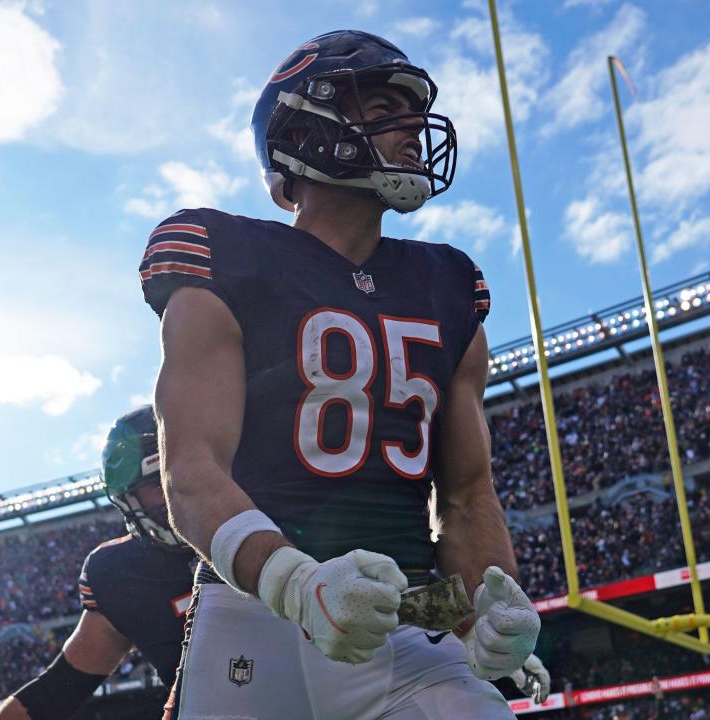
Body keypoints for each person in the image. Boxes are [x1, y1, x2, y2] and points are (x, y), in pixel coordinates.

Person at [141, 29, 540, 719]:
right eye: (384, 106)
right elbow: (193, 470)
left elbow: (469, 493)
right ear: (306, 125)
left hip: (404, 626)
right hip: (257, 616)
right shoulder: (222, 250)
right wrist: (299, 585)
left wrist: (486, 607)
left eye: (413, 115)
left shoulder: (449, 285)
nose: (412, 130)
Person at [0, 406, 195, 720]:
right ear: (129, 501)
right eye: (156, 484)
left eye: (178, 471)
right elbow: (59, 690)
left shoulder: (272, 519)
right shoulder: (121, 574)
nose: (171, 490)